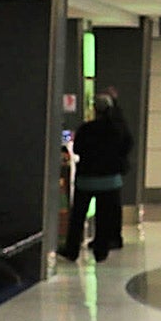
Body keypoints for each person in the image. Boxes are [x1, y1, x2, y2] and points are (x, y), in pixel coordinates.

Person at [60, 92, 133, 263]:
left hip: (87, 180)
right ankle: (101, 250)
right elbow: (127, 144)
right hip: (110, 181)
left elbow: (77, 149)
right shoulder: (117, 129)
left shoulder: (86, 129)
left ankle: (72, 249)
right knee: (104, 216)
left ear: (95, 109)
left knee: (78, 216)